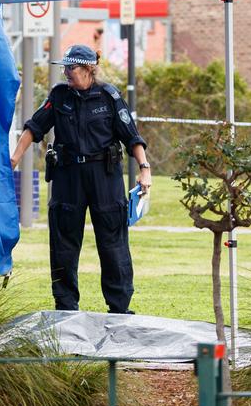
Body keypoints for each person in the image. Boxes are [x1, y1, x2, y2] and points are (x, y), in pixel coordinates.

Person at [10, 44, 152, 314]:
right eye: (64, 67)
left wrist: (144, 168)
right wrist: (14, 159)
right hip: (68, 176)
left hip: (104, 176)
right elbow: (34, 127)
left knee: (112, 243)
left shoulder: (109, 96)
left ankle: (119, 307)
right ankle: (65, 306)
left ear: (89, 69)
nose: (66, 72)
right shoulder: (59, 95)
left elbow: (132, 136)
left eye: (71, 67)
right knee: (63, 242)